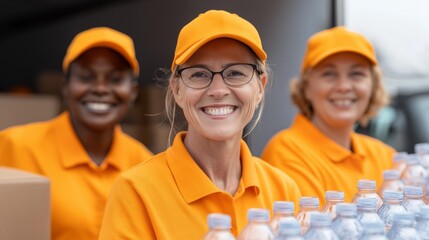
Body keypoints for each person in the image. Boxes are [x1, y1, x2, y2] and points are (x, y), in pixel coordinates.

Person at [98, 10, 301, 239]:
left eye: (235, 73)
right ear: (176, 89)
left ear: (260, 88)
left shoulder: (283, 191)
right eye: (199, 75)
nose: (217, 90)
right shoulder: (136, 192)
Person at [0, 27, 153, 240]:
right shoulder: (13, 147)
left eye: (115, 79)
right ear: (65, 87)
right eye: (86, 77)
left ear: (133, 92)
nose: (100, 88)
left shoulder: (145, 165)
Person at [261, 26, 395, 205]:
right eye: (329, 74)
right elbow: (315, 229)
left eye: (356, 74)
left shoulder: (385, 155)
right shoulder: (286, 152)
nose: (343, 86)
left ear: (373, 86)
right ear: (307, 88)